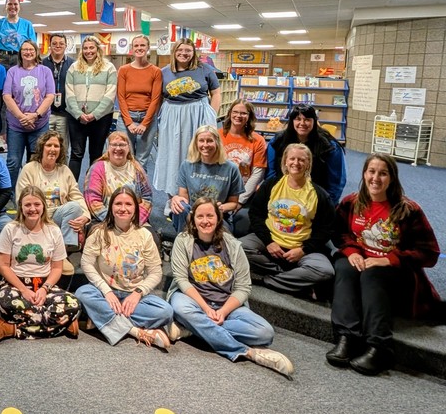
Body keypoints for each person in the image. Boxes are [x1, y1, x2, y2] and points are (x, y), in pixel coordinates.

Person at [327, 154, 440, 376]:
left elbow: (429, 254)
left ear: (392, 178)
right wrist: (352, 252)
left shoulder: (408, 210)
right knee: (344, 266)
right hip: (362, 264)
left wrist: (389, 259)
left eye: (383, 173)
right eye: (371, 171)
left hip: (396, 274)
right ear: (364, 174)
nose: (376, 178)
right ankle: (347, 337)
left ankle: (379, 346)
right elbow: (339, 233)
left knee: (373, 274)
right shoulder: (351, 203)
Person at [167, 198, 294, 377]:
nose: (205, 221)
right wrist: (206, 309)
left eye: (210, 216)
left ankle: (193, 328)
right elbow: (181, 279)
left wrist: (223, 312)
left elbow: (243, 287)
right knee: (180, 307)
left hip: (226, 304)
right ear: (193, 219)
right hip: (194, 300)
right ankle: (248, 352)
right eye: (200, 216)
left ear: (218, 218)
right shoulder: (183, 240)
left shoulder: (233, 245)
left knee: (265, 332)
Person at [74, 188, 173, 349]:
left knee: (165, 311)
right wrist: (107, 291)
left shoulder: (145, 235)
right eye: (118, 204)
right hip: (104, 293)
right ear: (111, 207)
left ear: (135, 208)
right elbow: (87, 264)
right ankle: (135, 331)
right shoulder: (99, 232)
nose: (123, 208)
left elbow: (155, 272)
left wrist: (137, 293)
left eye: (128, 204)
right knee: (82, 294)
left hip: (133, 296)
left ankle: (102, 319)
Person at [242, 143, 336, 296]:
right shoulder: (271, 185)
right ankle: (292, 278)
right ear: (285, 161)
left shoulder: (319, 194)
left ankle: (269, 280)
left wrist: (303, 250)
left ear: (308, 164)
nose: (296, 163)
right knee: (238, 248)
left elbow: (327, 229)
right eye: (292, 159)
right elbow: (255, 214)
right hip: (270, 241)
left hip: (302, 247)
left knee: (325, 271)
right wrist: (268, 242)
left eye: (301, 160)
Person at [0, 186, 81, 342]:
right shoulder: (10, 229)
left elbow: (57, 268)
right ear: (21, 207)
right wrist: (24, 290)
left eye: (37, 204)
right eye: (28, 205)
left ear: (43, 206)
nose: (32, 209)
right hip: (16, 285)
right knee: (5, 302)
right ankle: (61, 323)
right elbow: (3, 266)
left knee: (73, 304)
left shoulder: (53, 230)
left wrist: (45, 289)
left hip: (45, 285)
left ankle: (13, 329)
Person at [152, 39, 220, 197]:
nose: (184, 53)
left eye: (188, 50)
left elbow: (216, 93)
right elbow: (158, 98)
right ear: (174, 52)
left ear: (193, 52)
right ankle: (172, 196)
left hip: (198, 114)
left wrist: (212, 115)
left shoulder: (205, 69)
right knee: (172, 155)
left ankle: (198, 196)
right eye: (180, 50)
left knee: (198, 152)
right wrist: (158, 120)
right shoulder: (164, 72)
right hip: (172, 116)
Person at [16, 131, 89, 249]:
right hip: (37, 216)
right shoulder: (29, 169)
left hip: (57, 216)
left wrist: (85, 216)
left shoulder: (64, 170)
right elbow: (22, 199)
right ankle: (61, 250)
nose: (52, 149)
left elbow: (76, 196)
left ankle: (65, 247)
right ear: (41, 148)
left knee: (74, 207)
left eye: (56, 146)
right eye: (49, 145)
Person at [168, 124, 243, 234]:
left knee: (223, 237)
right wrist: (176, 199)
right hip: (193, 213)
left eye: (210, 141)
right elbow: (184, 199)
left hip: (218, 215)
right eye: (201, 141)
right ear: (196, 143)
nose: (205, 145)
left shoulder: (231, 168)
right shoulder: (186, 165)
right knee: (181, 208)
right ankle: (184, 240)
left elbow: (233, 203)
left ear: (217, 142)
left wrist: (220, 208)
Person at [267, 104, 347, 205]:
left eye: (307, 119)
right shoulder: (277, 141)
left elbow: (336, 181)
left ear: (314, 121)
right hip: (283, 196)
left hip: (316, 198)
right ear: (292, 121)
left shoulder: (329, 146)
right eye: (298, 119)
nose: (302, 123)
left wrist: (326, 203)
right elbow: (271, 173)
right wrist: (276, 194)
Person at [3, 39, 56, 186]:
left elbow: (50, 96)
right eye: (25, 49)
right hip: (16, 126)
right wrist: (22, 117)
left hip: (39, 125)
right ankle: (10, 194)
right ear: (20, 53)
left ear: (36, 52)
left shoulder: (45, 71)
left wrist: (35, 115)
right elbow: (7, 96)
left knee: (35, 161)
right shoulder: (13, 71)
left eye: (31, 49)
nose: (28, 52)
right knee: (13, 162)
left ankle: (33, 192)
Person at [65, 35, 117, 179]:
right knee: (76, 154)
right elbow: (69, 93)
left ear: (98, 49)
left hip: (101, 118)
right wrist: (78, 114)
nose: (88, 51)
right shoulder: (74, 67)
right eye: (85, 48)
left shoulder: (109, 68)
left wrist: (94, 114)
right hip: (77, 118)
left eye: (91, 48)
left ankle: (93, 188)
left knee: (96, 154)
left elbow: (110, 94)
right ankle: (71, 188)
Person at [82, 131, 154, 226]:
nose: (118, 148)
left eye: (122, 145)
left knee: (150, 235)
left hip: (134, 221)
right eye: (114, 145)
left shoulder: (137, 168)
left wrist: (135, 221)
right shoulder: (97, 168)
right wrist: (115, 223)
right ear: (108, 148)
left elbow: (147, 199)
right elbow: (93, 201)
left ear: (128, 148)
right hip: (105, 221)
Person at [219, 99, 267, 236]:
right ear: (230, 114)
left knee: (242, 225)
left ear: (249, 116)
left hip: (244, 193)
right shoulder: (218, 135)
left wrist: (240, 201)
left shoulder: (258, 140)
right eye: (235, 112)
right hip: (220, 190)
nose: (238, 116)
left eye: (243, 113)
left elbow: (258, 174)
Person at [116, 35, 162, 176]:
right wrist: (129, 122)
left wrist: (144, 123)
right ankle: (125, 189)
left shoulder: (156, 71)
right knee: (124, 156)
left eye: (142, 45)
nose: (139, 48)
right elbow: (121, 97)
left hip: (147, 118)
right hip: (126, 118)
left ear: (148, 48)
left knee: (142, 160)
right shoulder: (124, 70)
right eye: (136, 45)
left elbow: (155, 99)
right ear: (132, 48)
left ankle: (141, 189)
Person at [41, 33, 73, 155]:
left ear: (66, 45)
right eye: (54, 43)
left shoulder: (73, 64)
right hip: (46, 113)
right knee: (44, 147)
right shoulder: (42, 64)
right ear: (50, 45)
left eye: (61, 44)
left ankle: (62, 168)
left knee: (63, 149)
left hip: (65, 113)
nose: (57, 46)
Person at [0, 0, 36, 69]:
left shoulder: (27, 24)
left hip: (20, 58)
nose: (13, 6)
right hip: (1, 58)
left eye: (15, 4)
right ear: (5, 6)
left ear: (19, 7)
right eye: (10, 4)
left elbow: (33, 46)